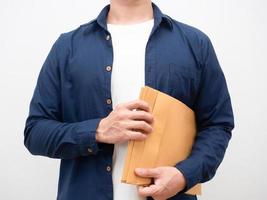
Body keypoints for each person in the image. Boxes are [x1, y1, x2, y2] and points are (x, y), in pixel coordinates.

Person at [23, 0, 235, 200]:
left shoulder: (195, 44)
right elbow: (35, 132)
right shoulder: (67, 47)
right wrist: (97, 131)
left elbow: (218, 125)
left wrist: (184, 176)